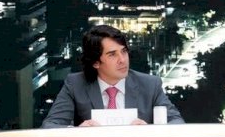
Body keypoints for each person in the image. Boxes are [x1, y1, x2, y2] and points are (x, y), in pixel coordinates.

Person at [41, 25, 184, 127]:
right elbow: (50, 125)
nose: (122, 60)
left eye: (124, 51)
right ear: (96, 62)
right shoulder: (75, 84)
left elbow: (177, 123)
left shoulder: (150, 85)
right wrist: (78, 132)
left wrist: (149, 131)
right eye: (112, 55)